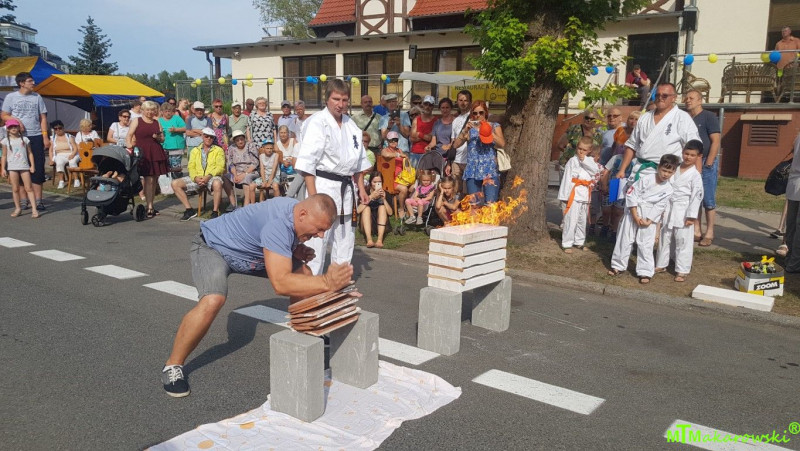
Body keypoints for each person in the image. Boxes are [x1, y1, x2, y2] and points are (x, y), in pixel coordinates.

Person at [160, 194, 355, 397]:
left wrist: (295, 248)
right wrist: (327, 282)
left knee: (303, 274)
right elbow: (280, 284)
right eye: (320, 229)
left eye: (324, 231)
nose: (321, 236)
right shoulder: (277, 225)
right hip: (215, 248)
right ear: (303, 214)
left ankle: (303, 332)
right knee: (213, 300)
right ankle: (173, 365)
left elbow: (275, 237)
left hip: (251, 256)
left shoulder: (296, 213)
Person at [295, 78, 371, 276]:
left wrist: (362, 189)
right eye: (336, 99)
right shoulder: (316, 122)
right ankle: (311, 284)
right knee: (317, 240)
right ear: (327, 99)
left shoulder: (351, 125)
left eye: (344, 100)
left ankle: (339, 281)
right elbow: (308, 164)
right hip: (323, 187)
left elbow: (359, 162)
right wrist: (313, 198)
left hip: (346, 190)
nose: (340, 104)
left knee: (345, 239)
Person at [608, 154, 679, 284]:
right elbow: (631, 194)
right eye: (664, 170)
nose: (666, 174)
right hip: (633, 211)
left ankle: (645, 271)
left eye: (670, 172)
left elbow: (660, 206)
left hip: (650, 215)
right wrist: (635, 215)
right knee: (625, 239)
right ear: (658, 167)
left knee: (646, 244)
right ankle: (618, 265)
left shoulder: (668, 189)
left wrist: (649, 220)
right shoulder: (645, 179)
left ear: (674, 172)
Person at [616, 83, 700, 183]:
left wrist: (697, 174)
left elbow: (695, 148)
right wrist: (622, 170)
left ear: (674, 98)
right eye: (657, 95)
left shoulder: (682, 118)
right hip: (643, 170)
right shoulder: (644, 117)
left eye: (664, 95)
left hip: (668, 172)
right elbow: (632, 145)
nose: (660, 98)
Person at [655, 140, 704, 282]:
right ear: (682, 152)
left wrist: (692, 216)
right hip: (668, 206)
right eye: (686, 153)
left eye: (692, 155)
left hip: (684, 208)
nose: (688, 157)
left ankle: (682, 269)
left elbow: (696, 196)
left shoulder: (695, 175)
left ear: (698, 156)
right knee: (665, 236)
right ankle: (661, 264)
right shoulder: (674, 168)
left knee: (683, 239)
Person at [1, 72, 49, 211]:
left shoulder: (37, 97)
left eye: (32, 81)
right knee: (20, 167)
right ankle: (24, 201)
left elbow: (43, 118)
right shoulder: (11, 97)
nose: (33, 83)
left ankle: (38, 200)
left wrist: (45, 136)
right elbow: (4, 115)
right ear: (21, 83)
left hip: (35, 135)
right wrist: (17, 121)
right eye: (30, 81)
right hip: (18, 137)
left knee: (37, 168)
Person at [684, 89, 721, 247]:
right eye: (686, 98)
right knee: (695, 197)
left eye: (691, 98)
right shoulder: (685, 118)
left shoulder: (708, 117)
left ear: (700, 100)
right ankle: (696, 230)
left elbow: (715, 140)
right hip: (690, 162)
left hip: (705, 162)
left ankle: (710, 232)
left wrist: (709, 163)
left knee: (708, 199)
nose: (687, 100)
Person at [451, 100, 506, 204]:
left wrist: (488, 132)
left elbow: (502, 144)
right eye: (475, 113)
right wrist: (465, 131)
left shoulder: (494, 126)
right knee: (474, 205)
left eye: (481, 112)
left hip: (490, 170)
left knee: (490, 204)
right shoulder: (470, 128)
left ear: (486, 112)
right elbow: (455, 145)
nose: (478, 115)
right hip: (473, 170)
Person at [559, 136, 603, 253]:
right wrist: (564, 196)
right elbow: (567, 178)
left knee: (582, 220)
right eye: (579, 149)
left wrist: (584, 160)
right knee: (571, 219)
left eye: (584, 150)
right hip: (573, 193)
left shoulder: (590, 161)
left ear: (589, 150)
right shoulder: (572, 161)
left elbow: (595, 171)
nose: (581, 152)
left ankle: (579, 241)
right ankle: (567, 243)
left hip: (585, 194)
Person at [171, 128, 226, 221]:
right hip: (198, 177)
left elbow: (220, 167)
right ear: (202, 136)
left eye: (211, 137)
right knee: (175, 183)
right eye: (206, 136)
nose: (209, 138)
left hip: (212, 177)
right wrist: (195, 178)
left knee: (217, 183)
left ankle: (215, 211)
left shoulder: (218, 150)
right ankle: (189, 210)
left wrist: (208, 176)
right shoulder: (195, 150)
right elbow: (191, 166)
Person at [126, 100, 168, 218]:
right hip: (142, 152)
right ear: (143, 110)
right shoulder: (137, 120)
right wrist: (130, 148)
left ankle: (151, 205)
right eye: (148, 110)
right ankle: (149, 207)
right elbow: (129, 135)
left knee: (154, 180)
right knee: (148, 179)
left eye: (152, 110)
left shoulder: (157, 122)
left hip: (155, 151)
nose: (150, 112)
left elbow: (162, 139)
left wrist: (158, 137)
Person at [1, 119, 39, 218]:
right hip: (12, 167)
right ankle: (18, 208)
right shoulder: (5, 141)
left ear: (19, 128)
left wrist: (32, 165)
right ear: (8, 129)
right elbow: (4, 155)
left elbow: (30, 153)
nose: (13, 128)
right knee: (15, 188)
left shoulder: (25, 139)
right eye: (11, 127)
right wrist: (3, 168)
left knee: (29, 188)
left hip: (24, 166)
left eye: (15, 126)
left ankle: (34, 209)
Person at [556, 110, 604, 179]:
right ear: (583, 118)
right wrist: (572, 155)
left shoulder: (598, 134)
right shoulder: (573, 129)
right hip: (568, 166)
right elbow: (560, 145)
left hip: (587, 169)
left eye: (592, 119)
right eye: (587, 118)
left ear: (596, 121)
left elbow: (598, 152)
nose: (588, 120)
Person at [358, 171, 392, 248]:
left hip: (381, 224)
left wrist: (384, 199)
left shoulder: (386, 193)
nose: (376, 184)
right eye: (374, 182)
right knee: (366, 208)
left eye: (379, 182)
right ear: (370, 182)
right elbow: (358, 210)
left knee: (382, 207)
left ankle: (379, 240)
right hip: (366, 223)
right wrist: (371, 197)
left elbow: (390, 213)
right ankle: (369, 239)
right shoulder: (365, 193)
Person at [227, 130, 260, 206]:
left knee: (246, 178)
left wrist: (244, 174)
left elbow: (255, 163)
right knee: (225, 178)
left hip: (251, 171)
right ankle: (233, 203)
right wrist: (235, 175)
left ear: (244, 139)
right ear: (234, 141)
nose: (240, 141)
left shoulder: (250, 146)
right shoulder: (231, 148)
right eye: (237, 140)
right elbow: (231, 164)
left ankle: (246, 204)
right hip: (237, 172)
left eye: (241, 139)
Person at [782, 133, 800, 272]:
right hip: (796, 182)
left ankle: (790, 260)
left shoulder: (798, 137)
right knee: (795, 226)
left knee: (792, 224)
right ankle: (794, 263)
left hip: (794, 183)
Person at [449, 90, 472, 195]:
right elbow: (453, 142)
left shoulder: (474, 117)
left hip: (469, 160)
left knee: (468, 192)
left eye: (465, 100)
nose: (463, 103)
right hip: (456, 160)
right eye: (460, 100)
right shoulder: (455, 120)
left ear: (470, 102)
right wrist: (449, 162)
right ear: (457, 101)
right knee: (456, 191)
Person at [158, 102, 187, 177]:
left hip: (176, 146)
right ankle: (167, 182)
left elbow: (185, 128)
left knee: (175, 167)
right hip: (164, 147)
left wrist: (176, 129)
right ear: (162, 112)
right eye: (166, 111)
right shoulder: (159, 120)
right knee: (165, 167)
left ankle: (177, 180)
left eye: (169, 111)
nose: (168, 113)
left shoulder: (176, 118)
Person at [378, 93, 411, 158]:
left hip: (403, 150)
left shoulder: (404, 115)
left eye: (393, 101)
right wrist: (389, 127)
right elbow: (383, 137)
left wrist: (399, 125)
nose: (391, 104)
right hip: (389, 152)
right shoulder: (383, 118)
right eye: (389, 102)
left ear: (397, 102)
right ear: (386, 104)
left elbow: (407, 134)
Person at [48, 120, 78, 190]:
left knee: (72, 162)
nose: (58, 130)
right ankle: (61, 181)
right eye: (56, 129)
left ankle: (76, 179)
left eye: (60, 128)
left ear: (63, 128)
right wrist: (51, 159)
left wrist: (73, 154)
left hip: (70, 153)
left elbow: (75, 148)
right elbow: (51, 150)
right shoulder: (53, 138)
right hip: (59, 154)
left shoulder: (69, 136)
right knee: (59, 162)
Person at [409, 95, 436, 167]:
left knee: (426, 173)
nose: (427, 107)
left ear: (433, 107)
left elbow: (430, 138)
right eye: (426, 104)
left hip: (428, 153)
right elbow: (411, 138)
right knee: (413, 173)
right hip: (415, 153)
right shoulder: (416, 119)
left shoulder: (436, 121)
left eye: (430, 105)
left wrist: (418, 133)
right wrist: (425, 136)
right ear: (423, 105)